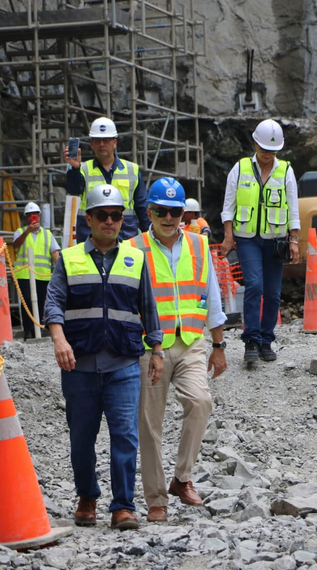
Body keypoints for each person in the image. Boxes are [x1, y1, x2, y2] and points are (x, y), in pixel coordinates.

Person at [44, 183, 164, 531]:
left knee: (125, 435)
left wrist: (156, 349)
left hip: (124, 363)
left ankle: (123, 506)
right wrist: (58, 339)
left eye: (116, 216)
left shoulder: (135, 258)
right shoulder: (68, 259)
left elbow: (148, 307)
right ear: (89, 219)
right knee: (81, 437)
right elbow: (53, 303)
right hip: (79, 365)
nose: (110, 221)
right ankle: (87, 497)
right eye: (103, 215)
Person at [128, 177, 227, 523]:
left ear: (183, 214)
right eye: (161, 211)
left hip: (190, 344)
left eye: (175, 212)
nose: (169, 218)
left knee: (201, 402)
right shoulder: (133, 248)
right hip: (148, 348)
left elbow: (212, 297)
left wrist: (218, 344)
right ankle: (156, 500)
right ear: (149, 212)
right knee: (149, 424)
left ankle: (181, 478)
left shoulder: (199, 246)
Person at [220, 119, 301, 363]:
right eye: (265, 149)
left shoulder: (286, 170)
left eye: (273, 151)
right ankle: (251, 340)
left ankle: (267, 340)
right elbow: (228, 206)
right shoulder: (241, 168)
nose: (268, 155)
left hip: (275, 240)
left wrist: (294, 239)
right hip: (247, 239)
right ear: (255, 144)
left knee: (273, 293)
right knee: (254, 285)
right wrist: (228, 236)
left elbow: (293, 208)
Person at [63, 117, 151, 242]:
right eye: (97, 140)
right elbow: (73, 189)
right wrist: (75, 167)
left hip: (125, 239)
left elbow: (142, 208)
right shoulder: (82, 169)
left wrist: (149, 238)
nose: (102, 144)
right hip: (91, 240)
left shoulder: (132, 170)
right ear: (92, 144)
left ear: (114, 143)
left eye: (106, 140)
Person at [12, 202, 60, 340]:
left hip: (42, 275)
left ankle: (39, 328)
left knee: (41, 302)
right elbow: (15, 245)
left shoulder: (47, 234)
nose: (33, 218)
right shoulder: (20, 232)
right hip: (24, 274)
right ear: (26, 217)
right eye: (29, 215)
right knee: (27, 301)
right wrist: (28, 231)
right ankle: (28, 330)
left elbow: (55, 252)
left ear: (39, 216)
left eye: (35, 215)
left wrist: (60, 269)